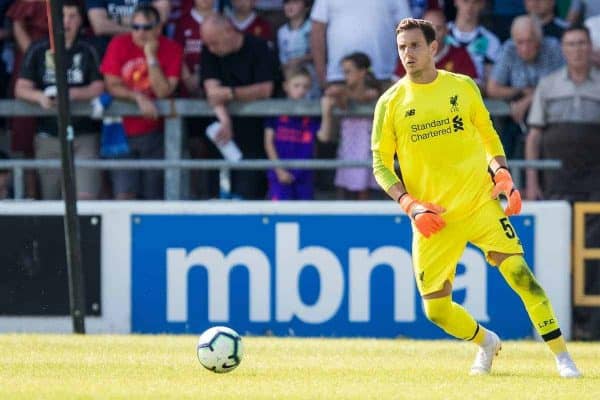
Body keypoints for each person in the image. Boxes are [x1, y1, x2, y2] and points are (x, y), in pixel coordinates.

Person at [371, 17, 581, 378]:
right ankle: (486, 342)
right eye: (402, 47)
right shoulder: (390, 102)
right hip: (433, 217)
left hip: (479, 203)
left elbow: (488, 135)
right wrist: (410, 205)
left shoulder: (463, 87)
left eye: (415, 45)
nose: (408, 53)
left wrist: (501, 174)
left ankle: (563, 358)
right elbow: (379, 165)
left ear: (433, 47)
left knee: (522, 277)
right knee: (436, 310)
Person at [15, 0, 104, 200]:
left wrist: (71, 95)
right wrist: (40, 97)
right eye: (62, 16)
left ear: (81, 20)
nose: (66, 21)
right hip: (49, 135)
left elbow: (99, 86)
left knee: (84, 199)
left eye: (72, 16)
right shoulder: (38, 49)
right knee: (52, 201)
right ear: (51, 19)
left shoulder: (88, 49)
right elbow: (21, 88)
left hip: (84, 134)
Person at [100, 4, 183, 199]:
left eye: (146, 28)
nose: (139, 33)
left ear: (158, 28)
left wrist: (151, 57)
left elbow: (163, 91)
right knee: (124, 195)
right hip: (120, 132)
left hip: (156, 133)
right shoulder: (118, 44)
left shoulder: (172, 49)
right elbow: (111, 84)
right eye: (135, 27)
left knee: (153, 198)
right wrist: (138, 97)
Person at [200, 14, 276, 199]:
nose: (211, 48)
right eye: (208, 44)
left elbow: (266, 89)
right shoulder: (209, 50)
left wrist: (231, 93)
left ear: (228, 31)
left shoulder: (259, 47)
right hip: (222, 136)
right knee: (217, 197)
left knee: (249, 195)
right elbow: (212, 92)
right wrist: (226, 121)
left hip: (255, 136)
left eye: (214, 43)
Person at [486, 15, 564, 159]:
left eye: (530, 41)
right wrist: (520, 91)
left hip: (552, 117)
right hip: (517, 120)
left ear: (539, 41)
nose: (525, 48)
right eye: (520, 42)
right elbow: (492, 88)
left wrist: (527, 100)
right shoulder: (509, 48)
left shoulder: (552, 47)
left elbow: (561, 84)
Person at [319, 52, 380, 200]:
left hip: (365, 146)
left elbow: (362, 98)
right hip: (347, 145)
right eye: (343, 72)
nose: (345, 76)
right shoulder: (343, 91)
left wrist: (342, 93)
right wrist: (339, 94)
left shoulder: (372, 91)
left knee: (363, 189)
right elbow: (339, 100)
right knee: (343, 186)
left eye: (348, 72)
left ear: (362, 72)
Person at [310, 0, 410, 89]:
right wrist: (321, 74)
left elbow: (407, 32)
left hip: (385, 77)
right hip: (339, 77)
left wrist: (401, 74)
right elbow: (317, 32)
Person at [264, 66, 320, 200]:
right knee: (280, 214)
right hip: (279, 175)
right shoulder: (275, 111)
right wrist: (279, 170)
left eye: (305, 87)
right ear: (286, 86)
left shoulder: (312, 113)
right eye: (296, 86)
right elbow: (268, 143)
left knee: (305, 215)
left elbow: (320, 138)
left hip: (304, 175)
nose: (301, 90)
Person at [394, 8, 477, 81]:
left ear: (446, 31)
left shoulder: (461, 55)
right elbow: (395, 87)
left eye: (438, 28)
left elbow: (475, 87)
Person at [446, 0, 501, 88]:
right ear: (455, 1)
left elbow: (490, 86)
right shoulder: (441, 33)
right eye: (465, 1)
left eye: (475, 2)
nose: (470, 7)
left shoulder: (491, 41)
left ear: (482, 4)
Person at [277, 0, 318, 98]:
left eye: (295, 2)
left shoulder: (312, 27)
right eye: (287, 3)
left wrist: (300, 60)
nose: (290, 7)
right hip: (291, 78)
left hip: (312, 78)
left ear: (306, 7)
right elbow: (283, 59)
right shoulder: (281, 31)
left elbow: (318, 53)